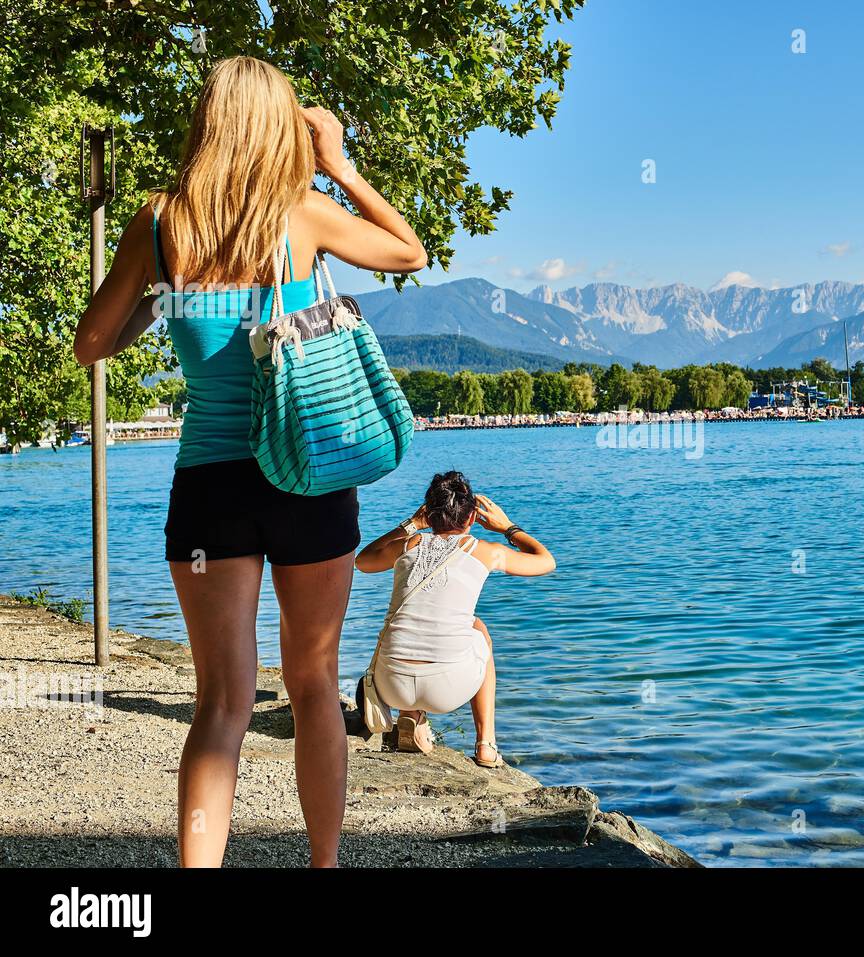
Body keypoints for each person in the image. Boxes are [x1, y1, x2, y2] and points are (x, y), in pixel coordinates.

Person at [75, 56, 427, 867]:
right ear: (279, 127)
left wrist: (163, 301)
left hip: (210, 487)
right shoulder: (303, 215)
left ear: (208, 119)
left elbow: (93, 344)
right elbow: (408, 253)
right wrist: (339, 164)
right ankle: (323, 864)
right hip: (310, 473)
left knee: (222, 705)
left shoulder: (161, 222)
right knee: (313, 687)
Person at [355, 472, 555, 766]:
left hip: (390, 686)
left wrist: (411, 524)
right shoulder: (487, 552)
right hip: (446, 690)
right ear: (472, 517)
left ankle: (410, 716)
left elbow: (363, 560)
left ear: (428, 514)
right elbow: (546, 561)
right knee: (478, 629)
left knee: (414, 630)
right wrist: (508, 528)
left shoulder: (407, 545)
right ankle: (486, 744)